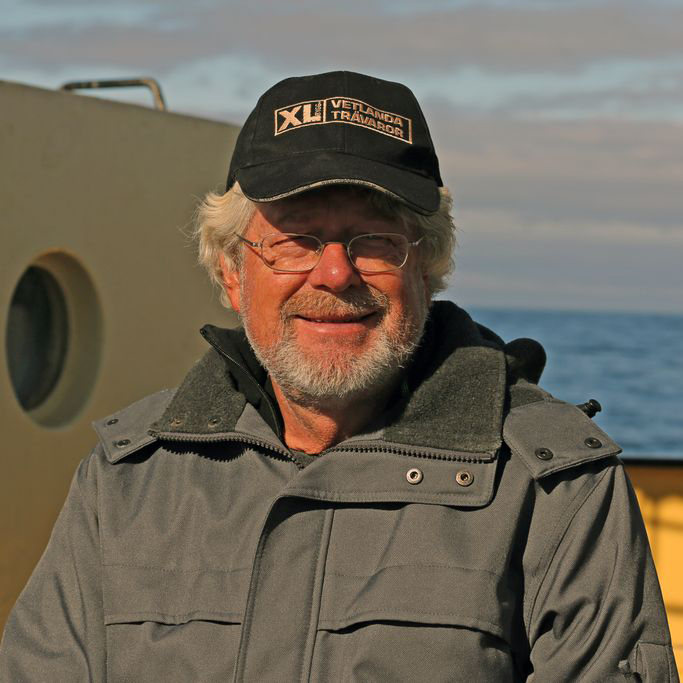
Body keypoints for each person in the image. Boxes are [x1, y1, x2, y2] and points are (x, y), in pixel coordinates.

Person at [0, 70, 677, 682]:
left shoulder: (554, 488)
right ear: (231, 273)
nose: (333, 273)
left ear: (427, 269)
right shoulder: (128, 478)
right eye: (295, 239)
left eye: (374, 240)